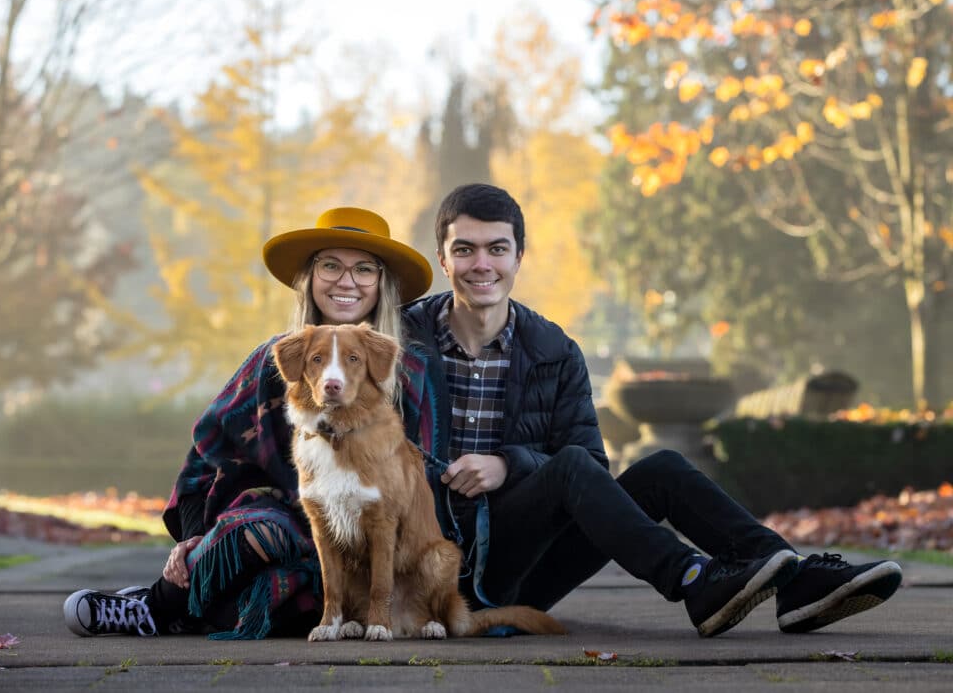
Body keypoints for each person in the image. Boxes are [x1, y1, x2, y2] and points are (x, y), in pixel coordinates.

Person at [399, 183, 902, 637]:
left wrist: (509, 465)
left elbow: (591, 471)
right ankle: (691, 578)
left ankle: (795, 579)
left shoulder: (554, 350)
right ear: (444, 260)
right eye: (464, 250)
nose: (481, 264)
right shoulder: (400, 344)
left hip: (524, 568)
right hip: (429, 572)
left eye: (497, 249)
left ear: (518, 257)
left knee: (660, 470)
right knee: (570, 464)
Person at [63, 207, 432, 638]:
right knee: (260, 535)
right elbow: (205, 455)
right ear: (310, 278)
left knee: (287, 600)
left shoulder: (408, 373)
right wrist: (194, 536)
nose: (346, 280)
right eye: (330, 265)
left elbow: (423, 475)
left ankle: (199, 610)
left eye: (364, 269)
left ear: (382, 283)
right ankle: (156, 608)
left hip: (376, 544)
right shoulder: (274, 360)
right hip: (282, 524)